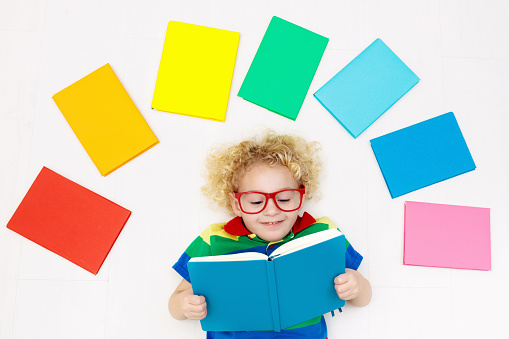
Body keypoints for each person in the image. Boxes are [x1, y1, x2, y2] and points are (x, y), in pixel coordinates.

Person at [169, 130, 372, 338]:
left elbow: (364, 298)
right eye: (256, 202)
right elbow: (175, 302)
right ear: (236, 204)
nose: (272, 210)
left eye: (284, 199)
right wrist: (184, 304)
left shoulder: (323, 234)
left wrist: (356, 284)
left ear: (300, 198)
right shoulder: (214, 239)